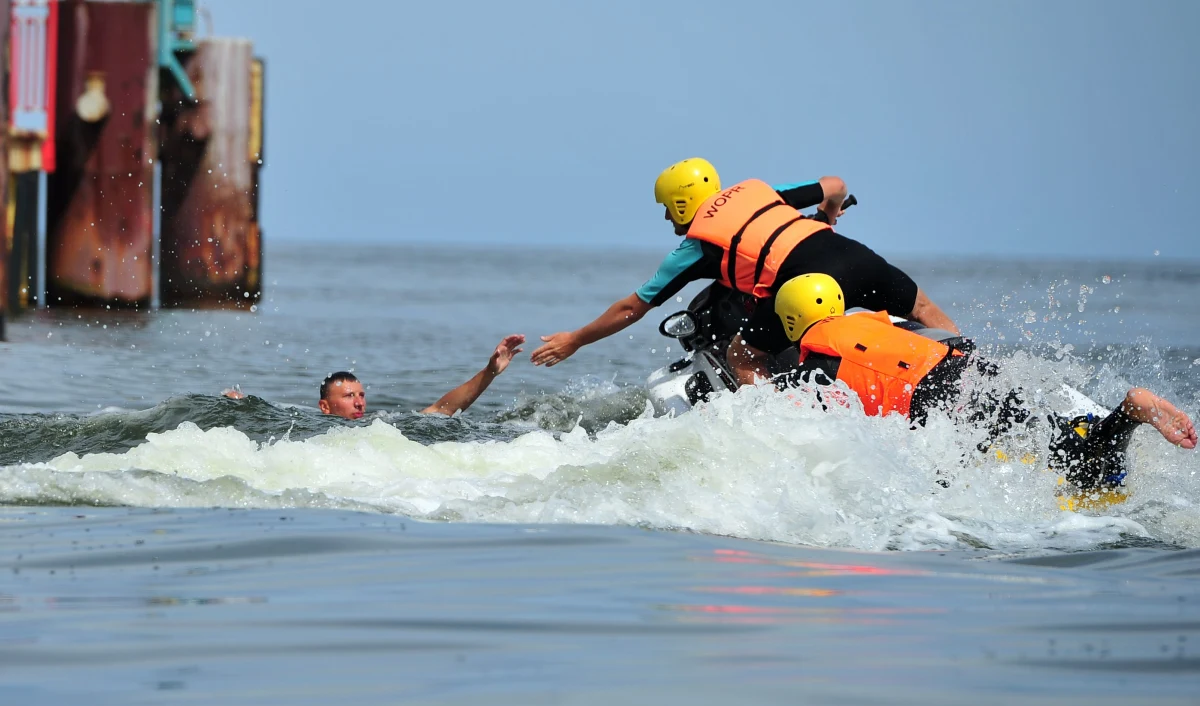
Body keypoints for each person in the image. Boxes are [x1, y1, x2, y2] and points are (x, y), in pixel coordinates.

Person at [728, 273, 1196, 490]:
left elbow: (827, 433)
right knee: (1047, 433)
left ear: (790, 322)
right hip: (965, 368)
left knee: (1079, 472)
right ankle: (1114, 420)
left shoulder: (814, 368)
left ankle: (1127, 415)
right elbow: (940, 336)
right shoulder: (874, 323)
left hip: (936, 401)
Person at [530, 157, 957, 368]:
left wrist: (576, 339)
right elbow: (836, 185)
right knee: (922, 310)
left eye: (667, 207)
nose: (666, 217)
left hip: (802, 281)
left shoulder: (696, 247)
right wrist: (825, 218)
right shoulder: (760, 191)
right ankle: (972, 369)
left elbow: (631, 307)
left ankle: (776, 429)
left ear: (682, 202)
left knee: (743, 356)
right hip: (851, 253)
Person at [225, 334, 526, 420]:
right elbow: (274, 413)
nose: (358, 402)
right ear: (325, 407)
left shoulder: (379, 425)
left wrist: (489, 373)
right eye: (348, 396)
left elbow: (440, 410)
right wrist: (243, 404)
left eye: (361, 395)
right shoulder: (308, 422)